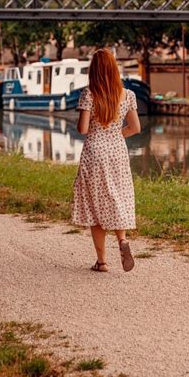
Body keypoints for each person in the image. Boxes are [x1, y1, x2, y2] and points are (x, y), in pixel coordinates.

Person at [72, 48, 141, 273]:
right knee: (116, 197)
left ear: (94, 70)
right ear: (114, 69)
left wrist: (91, 127)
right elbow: (135, 128)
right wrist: (114, 135)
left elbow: (83, 129)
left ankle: (102, 262)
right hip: (117, 152)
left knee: (96, 205)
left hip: (95, 152)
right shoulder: (127, 95)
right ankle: (122, 240)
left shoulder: (89, 94)